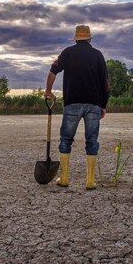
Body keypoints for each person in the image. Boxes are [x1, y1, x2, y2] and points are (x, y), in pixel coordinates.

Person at [44, 24, 109, 190]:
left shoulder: (68, 52)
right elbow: (105, 83)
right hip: (94, 104)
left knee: (66, 139)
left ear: (76, 38)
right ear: (89, 38)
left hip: (72, 103)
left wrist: (48, 91)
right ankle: (90, 181)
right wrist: (103, 104)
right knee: (92, 140)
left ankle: (64, 178)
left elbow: (53, 71)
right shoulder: (97, 55)